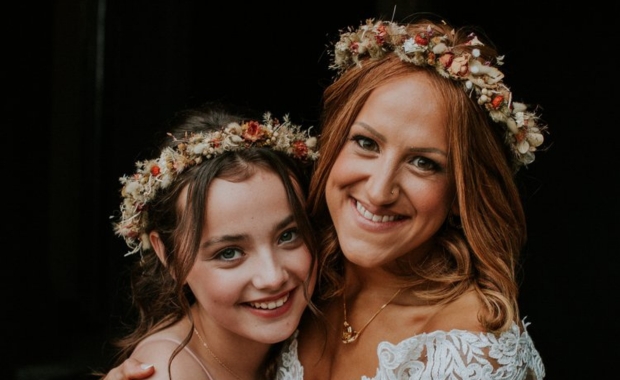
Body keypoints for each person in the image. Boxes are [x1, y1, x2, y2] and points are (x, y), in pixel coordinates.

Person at [102, 14, 547, 379]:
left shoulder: (470, 352)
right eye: (366, 143)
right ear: (332, 144)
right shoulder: (310, 277)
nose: (378, 190)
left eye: (424, 163)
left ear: (460, 193)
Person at [96, 102, 320, 380]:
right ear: (169, 255)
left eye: (288, 236)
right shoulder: (168, 373)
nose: (272, 277)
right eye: (229, 253)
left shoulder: (313, 331)